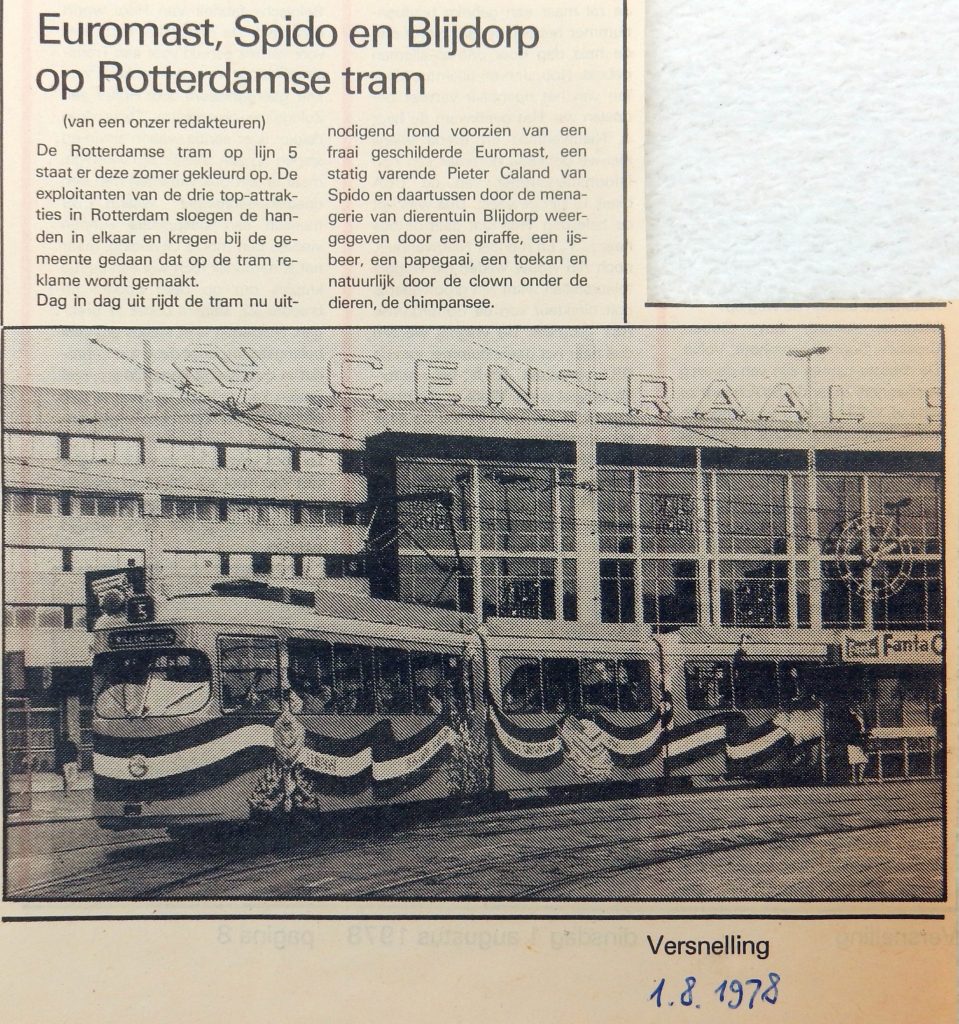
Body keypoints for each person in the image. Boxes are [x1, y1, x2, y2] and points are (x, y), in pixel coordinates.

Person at [843, 703, 868, 785]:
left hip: (858, 741)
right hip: (853, 742)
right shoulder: (851, 719)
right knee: (854, 762)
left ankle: (859, 779)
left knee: (861, 761)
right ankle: (855, 780)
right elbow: (854, 731)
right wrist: (862, 734)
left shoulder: (859, 718)